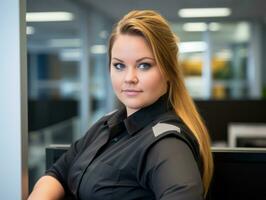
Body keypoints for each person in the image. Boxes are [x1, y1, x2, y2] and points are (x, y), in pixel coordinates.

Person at [28, 10, 213, 200]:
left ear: (168, 71)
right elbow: (58, 173)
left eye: (144, 65)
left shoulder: (166, 143)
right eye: (119, 65)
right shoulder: (107, 124)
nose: (129, 78)